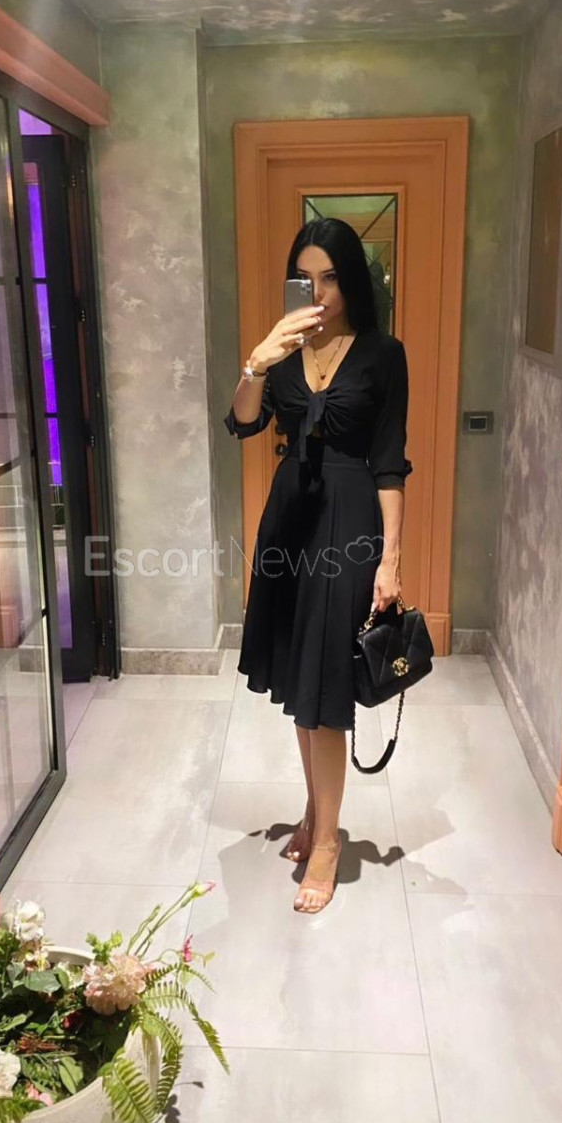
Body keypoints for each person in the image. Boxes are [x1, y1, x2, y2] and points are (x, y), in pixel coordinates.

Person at [224, 217, 413, 915]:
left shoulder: (383, 354)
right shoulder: (282, 350)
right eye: (307, 279)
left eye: (332, 277)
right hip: (290, 521)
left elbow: (390, 462)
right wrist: (256, 362)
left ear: (352, 280)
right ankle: (313, 812)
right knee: (302, 680)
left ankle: (328, 842)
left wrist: (390, 559)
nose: (321, 293)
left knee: (328, 687)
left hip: (351, 520)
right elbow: (244, 424)